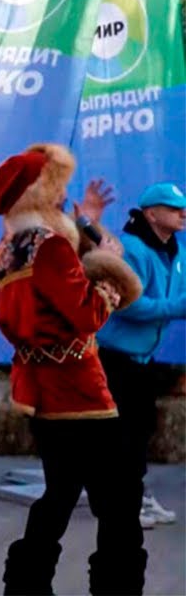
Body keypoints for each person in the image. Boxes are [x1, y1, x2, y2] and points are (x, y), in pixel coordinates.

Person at [0, 144, 146, 595]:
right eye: (58, 187)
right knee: (118, 501)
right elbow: (87, 314)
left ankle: (26, 586)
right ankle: (118, 587)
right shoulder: (50, 247)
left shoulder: (8, 248)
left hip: (43, 388)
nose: (64, 196)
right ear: (42, 192)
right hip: (80, 390)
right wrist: (111, 279)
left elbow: (57, 274)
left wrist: (89, 223)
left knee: (59, 496)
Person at [95, 181, 186, 529]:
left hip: (143, 360)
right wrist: (178, 307)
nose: (182, 213)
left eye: (183, 207)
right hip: (114, 358)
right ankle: (123, 505)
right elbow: (127, 304)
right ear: (151, 213)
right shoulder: (131, 249)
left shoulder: (176, 251)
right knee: (124, 434)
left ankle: (135, 497)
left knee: (140, 430)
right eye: (173, 207)